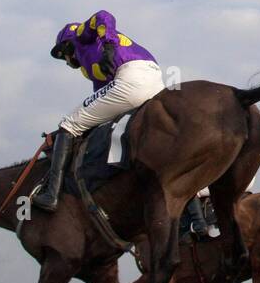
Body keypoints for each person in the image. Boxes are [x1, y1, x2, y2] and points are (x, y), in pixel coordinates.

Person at [33, 11, 164, 211]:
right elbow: (98, 108)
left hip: (131, 78)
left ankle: (51, 194)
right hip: (155, 82)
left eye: (64, 57)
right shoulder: (91, 69)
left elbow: (103, 16)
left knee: (69, 123)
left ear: (67, 46)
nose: (68, 63)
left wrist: (109, 46)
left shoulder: (80, 37)